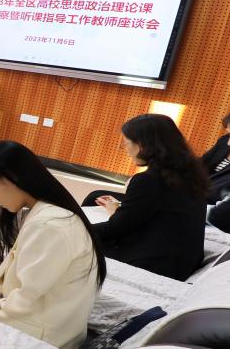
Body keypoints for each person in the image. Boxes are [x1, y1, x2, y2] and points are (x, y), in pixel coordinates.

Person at [0, 140, 106, 348]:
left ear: (10, 177)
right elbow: (13, 265)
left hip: (41, 335)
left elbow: (24, 300)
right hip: (41, 321)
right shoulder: (45, 213)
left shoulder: (48, 225)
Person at [83, 114, 209, 281]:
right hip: (184, 260)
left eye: (126, 143)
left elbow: (115, 228)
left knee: (78, 240)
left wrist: (79, 227)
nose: (124, 148)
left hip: (156, 264)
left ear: (142, 145)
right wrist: (119, 212)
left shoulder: (148, 180)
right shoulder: (189, 173)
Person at [199, 112, 230, 233]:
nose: (229, 142)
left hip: (211, 224)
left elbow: (221, 215)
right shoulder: (225, 141)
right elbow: (200, 164)